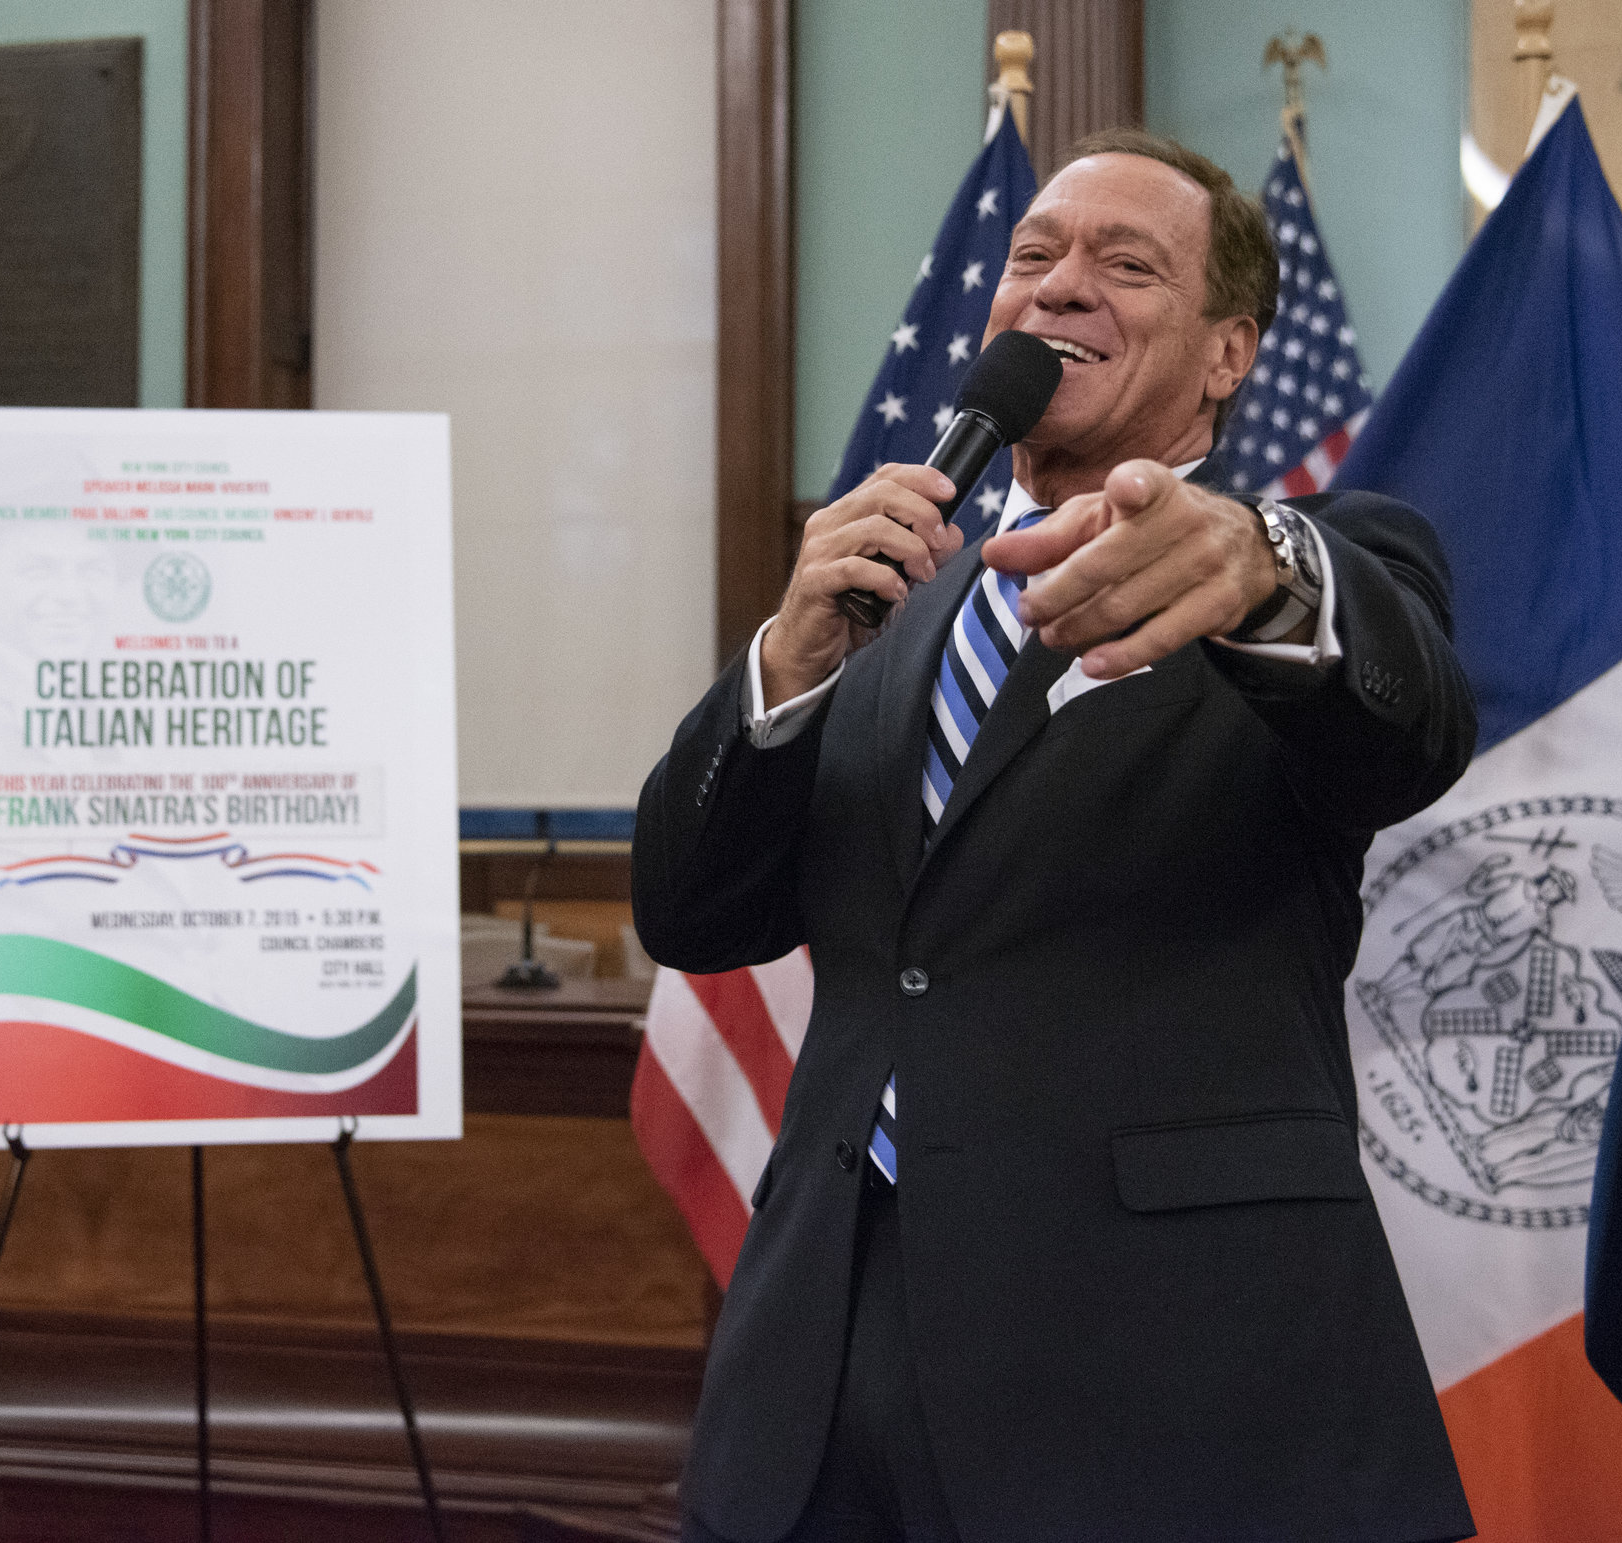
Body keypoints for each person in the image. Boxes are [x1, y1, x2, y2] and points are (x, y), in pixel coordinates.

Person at [633, 127, 1480, 1543]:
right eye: (1034, 256)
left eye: (1126, 263)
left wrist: (1263, 572)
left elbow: (1411, 724)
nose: (1062, 284)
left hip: (1170, 1396)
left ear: (1227, 355)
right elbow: (691, 913)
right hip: (825, 1383)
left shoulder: (1309, 569)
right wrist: (787, 658)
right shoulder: (882, 615)